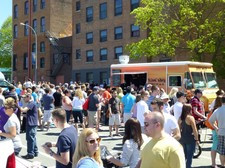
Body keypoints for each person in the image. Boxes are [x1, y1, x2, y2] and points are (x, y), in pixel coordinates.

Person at [178, 104, 199, 168]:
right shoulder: (190, 118)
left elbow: (178, 129)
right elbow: (194, 130)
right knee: (190, 156)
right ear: (189, 110)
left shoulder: (180, 118)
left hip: (182, 138)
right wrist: (197, 139)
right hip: (190, 138)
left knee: (184, 155)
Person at [20, 93, 39, 159]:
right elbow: (29, 113)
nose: (24, 99)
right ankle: (35, 152)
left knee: (30, 138)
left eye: (25, 98)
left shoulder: (31, 103)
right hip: (33, 122)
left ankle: (30, 153)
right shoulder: (32, 103)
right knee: (33, 138)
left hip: (31, 123)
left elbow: (23, 110)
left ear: (28, 97)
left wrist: (18, 105)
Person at [209, 96, 225, 167]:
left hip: (221, 132)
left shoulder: (218, 110)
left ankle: (222, 165)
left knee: (222, 151)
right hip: (221, 131)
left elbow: (210, 121)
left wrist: (216, 128)